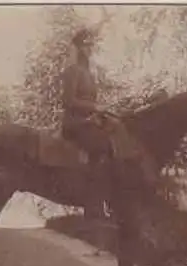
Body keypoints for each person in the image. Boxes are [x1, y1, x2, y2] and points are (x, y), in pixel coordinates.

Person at [61, 27, 112, 220]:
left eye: (92, 45)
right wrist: (94, 108)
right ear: (79, 48)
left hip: (87, 123)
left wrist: (99, 112)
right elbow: (67, 102)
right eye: (87, 45)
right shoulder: (72, 71)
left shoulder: (87, 72)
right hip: (74, 125)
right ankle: (93, 206)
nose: (91, 49)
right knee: (101, 148)